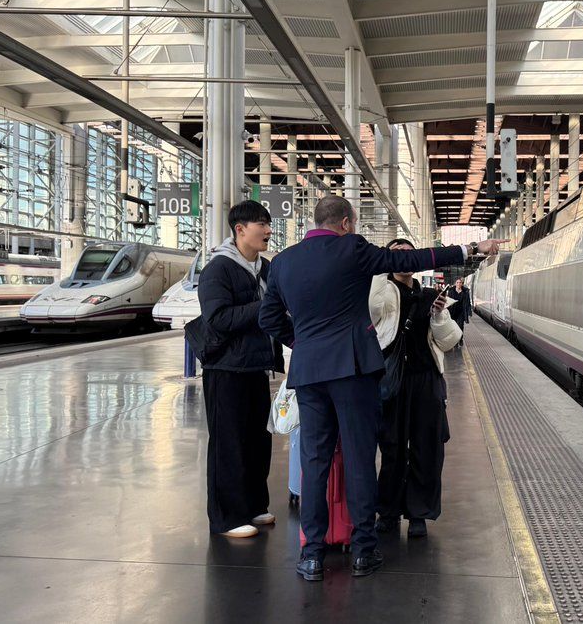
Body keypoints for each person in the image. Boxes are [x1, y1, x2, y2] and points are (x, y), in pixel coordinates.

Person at [258, 195, 505, 582]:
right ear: (345, 223)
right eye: (352, 224)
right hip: (354, 371)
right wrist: (471, 248)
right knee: (358, 459)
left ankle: (310, 555)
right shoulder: (352, 249)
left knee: (315, 462)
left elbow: (269, 317)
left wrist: (303, 343)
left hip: (309, 373)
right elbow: (411, 260)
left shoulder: (283, 262)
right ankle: (363, 550)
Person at [198, 200, 284, 539]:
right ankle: (227, 517)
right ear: (240, 229)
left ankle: (253, 506)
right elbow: (217, 319)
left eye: (267, 222)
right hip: (225, 369)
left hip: (255, 367)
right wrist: (265, 306)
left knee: (256, 440)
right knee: (228, 443)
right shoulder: (219, 269)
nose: (267, 229)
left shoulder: (264, 269)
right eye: (261, 223)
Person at [370, 239, 461, 539]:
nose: (403, 259)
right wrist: (379, 273)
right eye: (395, 253)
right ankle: (388, 510)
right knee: (393, 448)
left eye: (408, 253)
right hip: (391, 381)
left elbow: (448, 342)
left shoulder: (431, 296)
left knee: (427, 448)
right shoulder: (382, 295)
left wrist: (438, 315)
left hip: (426, 380)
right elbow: (370, 311)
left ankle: (419, 513)